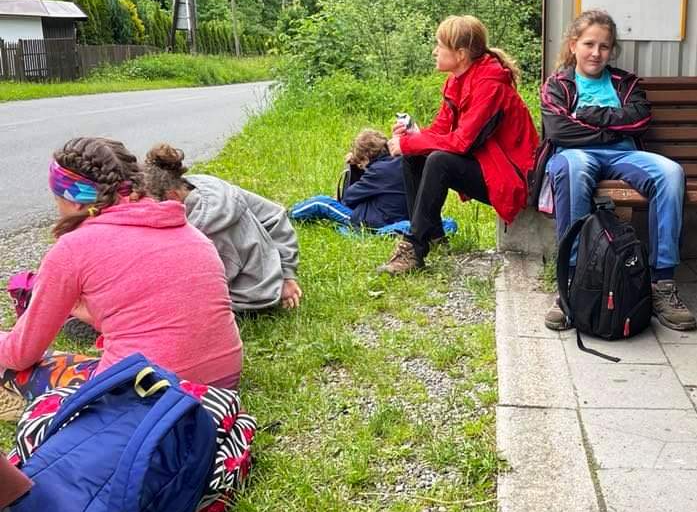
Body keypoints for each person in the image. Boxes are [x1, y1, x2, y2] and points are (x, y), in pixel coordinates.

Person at [0, 137, 242, 404]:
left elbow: (20, 353)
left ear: (75, 200)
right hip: (221, 384)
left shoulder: (72, 248)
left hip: (143, 395)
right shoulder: (190, 232)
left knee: (18, 368)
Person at [537, 9, 697, 332]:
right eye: (589, 44)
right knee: (573, 170)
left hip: (624, 156)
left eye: (604, 46)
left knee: (670, 173)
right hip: (575, 154)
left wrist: (589, 115)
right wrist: (613, 127)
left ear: (612, 50)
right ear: (573, 45)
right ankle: (571, 283)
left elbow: (640, 119)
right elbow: (558, 131)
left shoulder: (626, 83)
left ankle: (662, 283)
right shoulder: (558, 85)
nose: (596, 53)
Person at [378, 15, 538, 274]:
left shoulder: (490, 85)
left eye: (440, 46)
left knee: (438, 161)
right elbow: (441, 130)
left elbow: (463, 142)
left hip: (513, 179)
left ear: (461, 54)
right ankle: (432, 235)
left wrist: (409, 143)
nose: (435, 51)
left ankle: (413, 249)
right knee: (414, 156)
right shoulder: (457, 80)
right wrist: (413, 137)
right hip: (490, 166)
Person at [143, 143, 302, 311]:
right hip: (269, 281)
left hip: (243, 300)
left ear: (173, 196)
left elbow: (199, 288)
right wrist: (287, 274)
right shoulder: (208, 184)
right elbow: (274, 215)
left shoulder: (199, 232)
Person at [288, 129, 409, 231]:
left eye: (360, 162)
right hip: (398, 217)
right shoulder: (400, 162)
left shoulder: (377, 171)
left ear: (365, 158)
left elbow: (347, 198)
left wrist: (354, 168)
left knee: (321, 203)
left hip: (373, 223)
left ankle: (289, 215)